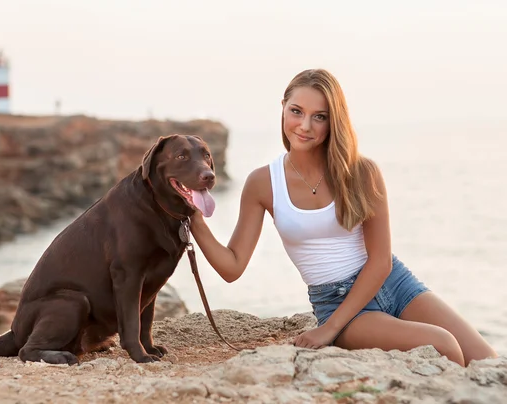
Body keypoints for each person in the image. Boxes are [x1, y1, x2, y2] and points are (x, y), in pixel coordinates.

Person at [189, 69, 498, 367]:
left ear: (333, 121)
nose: (305, 126)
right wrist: (193, 218)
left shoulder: (361, 172)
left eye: (319, 117)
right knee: (444, 347)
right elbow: (232, 267)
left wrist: (327, 330)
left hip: (394, 283)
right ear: (283, 108)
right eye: (296, 111)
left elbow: (380, 261)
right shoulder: (263, 182)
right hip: (339, 304)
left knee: (489, 364)